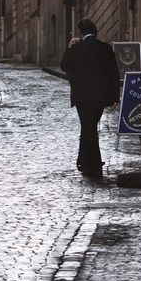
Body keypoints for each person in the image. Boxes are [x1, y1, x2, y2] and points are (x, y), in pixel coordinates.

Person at [60, 18, 120, 178]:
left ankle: (91, 163)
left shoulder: (77, 48)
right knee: (90, 127)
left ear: (81, 32)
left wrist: (69, 47)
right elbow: (114, 74)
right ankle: (85, 161)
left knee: (89, 128)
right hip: (100, 97)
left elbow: (64, 65)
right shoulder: (105, 48)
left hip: (82, 97)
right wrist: (115, 96)